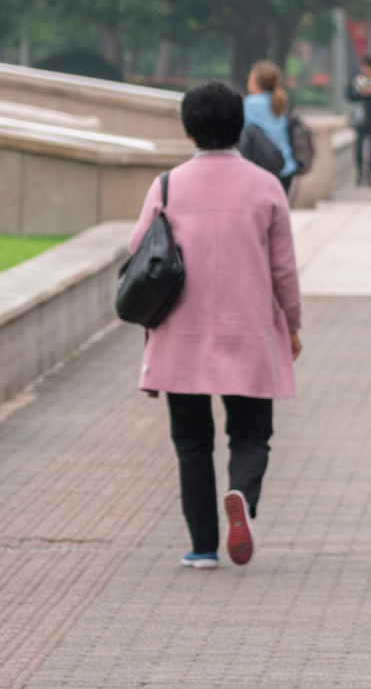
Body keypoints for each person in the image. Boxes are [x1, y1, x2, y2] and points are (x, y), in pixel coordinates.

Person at [129, 81, 302, 569]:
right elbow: (283, 268)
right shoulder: (265, 184)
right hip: (247, 327)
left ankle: (203, 548)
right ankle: (242, 499)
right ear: (239, 126)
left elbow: (137, 248)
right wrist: (291, 323)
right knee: (250, 435)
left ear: (188, 131)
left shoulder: (166, 185)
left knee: (191, 441)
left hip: (181, 331)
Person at [243, 61, 298, 199]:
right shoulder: (279, 100)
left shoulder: (251, 103)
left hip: (264, 167)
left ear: (256, 83)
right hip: (286, 167)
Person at [346, 54, 371, 187]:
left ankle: (370, 176)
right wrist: (362, 93)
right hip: (360, 118)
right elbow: (349, 96)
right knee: (359, 148)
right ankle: (359, 174)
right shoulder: (357, 80)